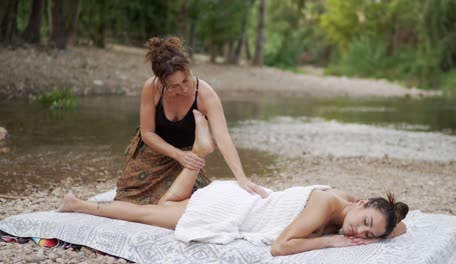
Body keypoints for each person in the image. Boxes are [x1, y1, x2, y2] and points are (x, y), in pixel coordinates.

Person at [58, 110, 409, 256]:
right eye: (364, 224)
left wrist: (385, 228)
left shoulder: (350, 202)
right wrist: (334, 241)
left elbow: (400, 225)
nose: (360, 234)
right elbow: (281, 247)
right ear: (362, 203)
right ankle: (80, 206)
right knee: (146, 214)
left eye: (369, 235)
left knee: (166, 206)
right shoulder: (325, 205)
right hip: (231, 208)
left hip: (241, 197)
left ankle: (198, 153)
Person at [115, 36, 267, 205]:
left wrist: (242, 178)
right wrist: (178, 154)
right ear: (161, 81)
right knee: (127, 202)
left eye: (185, 79)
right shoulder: (151, 88)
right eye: (174, 86)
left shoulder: (206, 95)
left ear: (189, 67)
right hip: (154, 154)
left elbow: (223, 138)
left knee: (193, 202)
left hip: (188, 160)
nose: (184, 88)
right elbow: (147, 133)